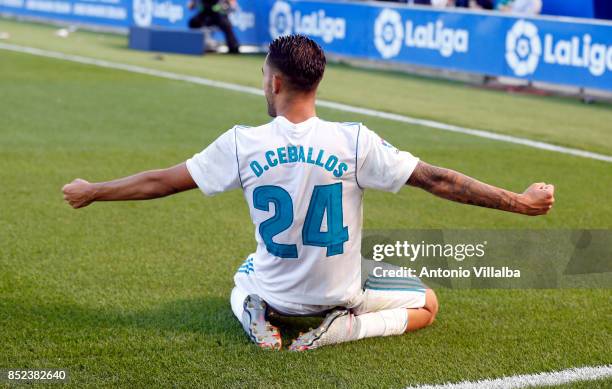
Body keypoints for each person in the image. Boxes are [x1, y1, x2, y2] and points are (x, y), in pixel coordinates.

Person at [62, 35, 555, 351]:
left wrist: (93, 190)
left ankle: (257, 314)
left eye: (262, 78)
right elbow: (437, 180)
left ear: (275, 82)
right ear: (316, 83)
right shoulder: (355, 141)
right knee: (427, 302)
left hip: (277, 290)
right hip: (337, 293)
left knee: (243, 274)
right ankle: (342, 328)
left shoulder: (242, 143)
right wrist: (520, 200)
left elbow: (161, 182)